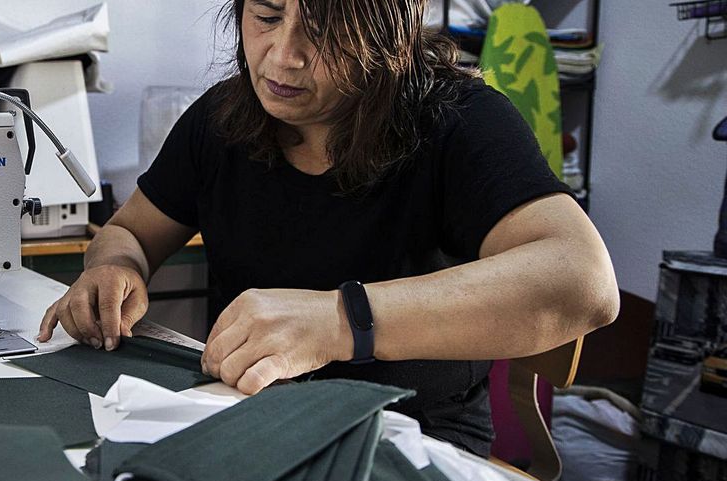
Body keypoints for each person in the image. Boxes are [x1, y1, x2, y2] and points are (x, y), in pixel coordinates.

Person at [36, 0, 619, 456]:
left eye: (324, 29)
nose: (283, 56)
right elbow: (130, 231)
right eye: (266, 16)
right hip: (243, 418)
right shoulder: (220, 119)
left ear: (387, 32)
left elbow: (584, 284)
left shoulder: (459, 121)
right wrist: (113, 267)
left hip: (405, 440)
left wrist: (342, 321)